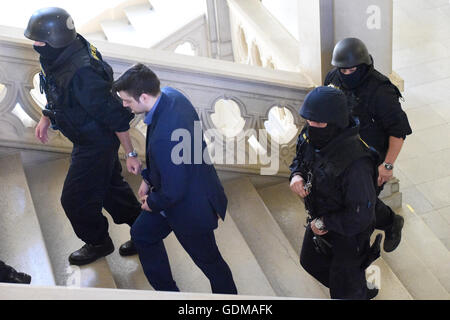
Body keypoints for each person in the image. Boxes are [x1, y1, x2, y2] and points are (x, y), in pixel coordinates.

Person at [24, 7, 142, 266]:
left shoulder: (83, 72)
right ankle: (146, 233)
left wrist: (131, 154)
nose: (35, 44)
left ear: (54, 39)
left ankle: (99, 242)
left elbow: (116, 116)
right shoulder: (61, 53)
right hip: (87, 137)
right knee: (111, 189)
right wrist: (47, 116)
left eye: (39, 40)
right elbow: (59, 90)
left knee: (74, 200)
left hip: (95, 144)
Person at [112, 63, 237, 294]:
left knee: (211, 263)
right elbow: (170, 164)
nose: (124, 105)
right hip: (179, 191)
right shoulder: (172, 96)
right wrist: (148, 179)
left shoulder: (166, 136)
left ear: (144, 97)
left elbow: (175, 189)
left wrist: (152, 202)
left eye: (128, 101)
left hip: (190, 208)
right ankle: (168, 293)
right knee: (141, 234)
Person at [289, 86, 380, 300]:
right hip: (319, 216)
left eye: (318, 123)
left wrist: (326, 223)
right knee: (310, 261)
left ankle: (355, 290)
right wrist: (297, 174)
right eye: (309, 121)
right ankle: (357, 286)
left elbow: (361, 216)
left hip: (349, 234)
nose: (311, 127)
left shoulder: (356, 163)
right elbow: (300, 158)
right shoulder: (311, 134)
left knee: (344, 291)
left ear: (336, 122)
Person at [324, 37, 412, 252]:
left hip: (370, 160)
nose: (345, 74)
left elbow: (398, 132)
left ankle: (389, 224)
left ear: (363, 65)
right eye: (341, 69)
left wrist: (388, 166)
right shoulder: (333, 78)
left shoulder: (382, 92)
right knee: (345, 199)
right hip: (340, 154)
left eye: (350, 70)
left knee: (361, 204)